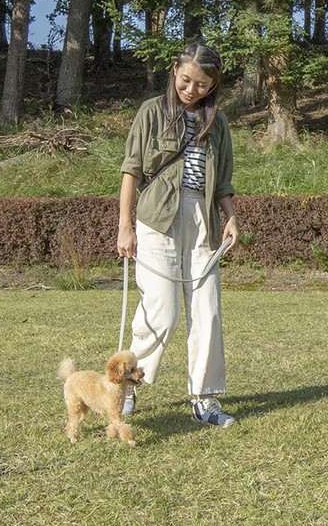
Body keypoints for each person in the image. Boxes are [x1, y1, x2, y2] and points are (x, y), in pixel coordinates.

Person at [115, 40, 240, 427]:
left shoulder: (217, 122)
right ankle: (128, 384)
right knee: (163, 311)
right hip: (156, 218)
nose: (191, 90)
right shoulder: (151, 112)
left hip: (203, 221)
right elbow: (131, 169)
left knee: (208, 311)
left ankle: (205, 400)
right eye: (186, 80)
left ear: (213, 84)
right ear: (175, 70)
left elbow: (223, 182)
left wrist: (231, 218)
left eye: (202, 85)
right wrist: (125, 225)